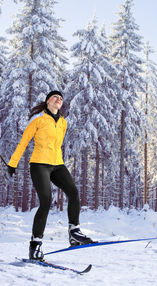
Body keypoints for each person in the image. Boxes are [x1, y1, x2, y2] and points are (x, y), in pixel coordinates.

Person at [7, 90, 96, 260]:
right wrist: (13, 163)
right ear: (48, 101)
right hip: (39, 164)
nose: (58, 100)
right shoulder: (38, 119)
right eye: (55, 97)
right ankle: (35, 246)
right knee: (46, 201)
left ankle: (74, 233)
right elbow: (24, 141)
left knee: (73, 192)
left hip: (57, 164)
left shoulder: (63, 122)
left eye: (61, 99)